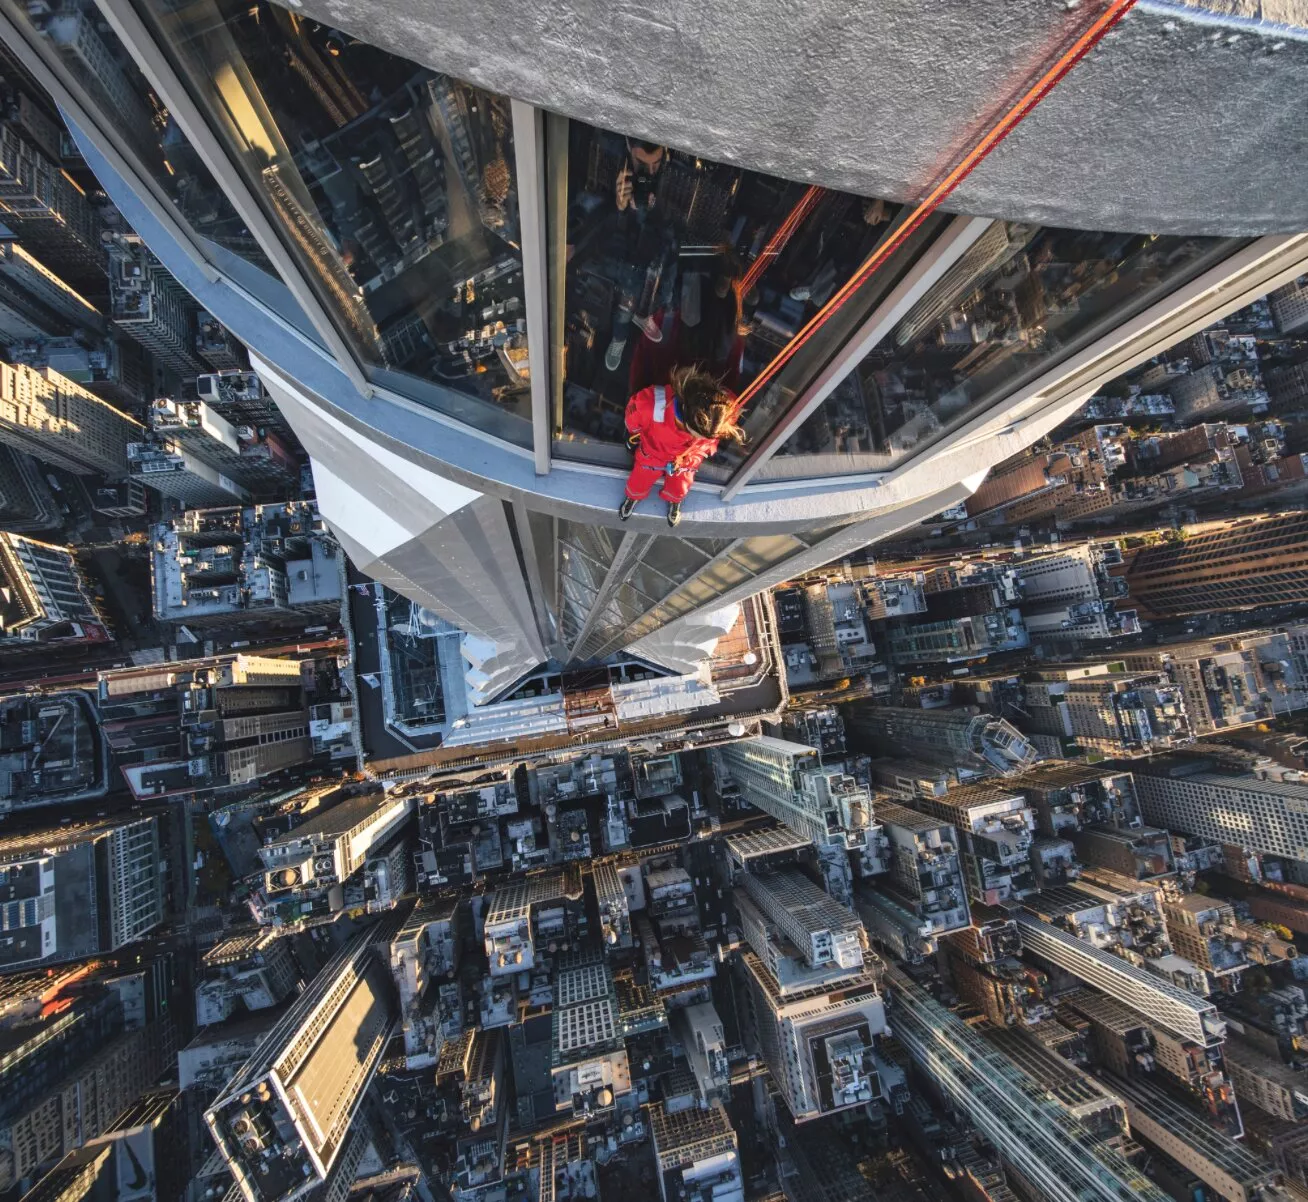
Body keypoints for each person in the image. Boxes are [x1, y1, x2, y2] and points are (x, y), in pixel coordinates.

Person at [619, 365, 747, 527]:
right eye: (695, 434)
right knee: (640, 479)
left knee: (680, 485)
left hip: (689, 458)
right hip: (654, 453)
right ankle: (633, 497)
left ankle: (674, 501)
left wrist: (700, 450)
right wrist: (635, 437)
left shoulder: (722, 411)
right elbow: (632, 422)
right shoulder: (650, 404)